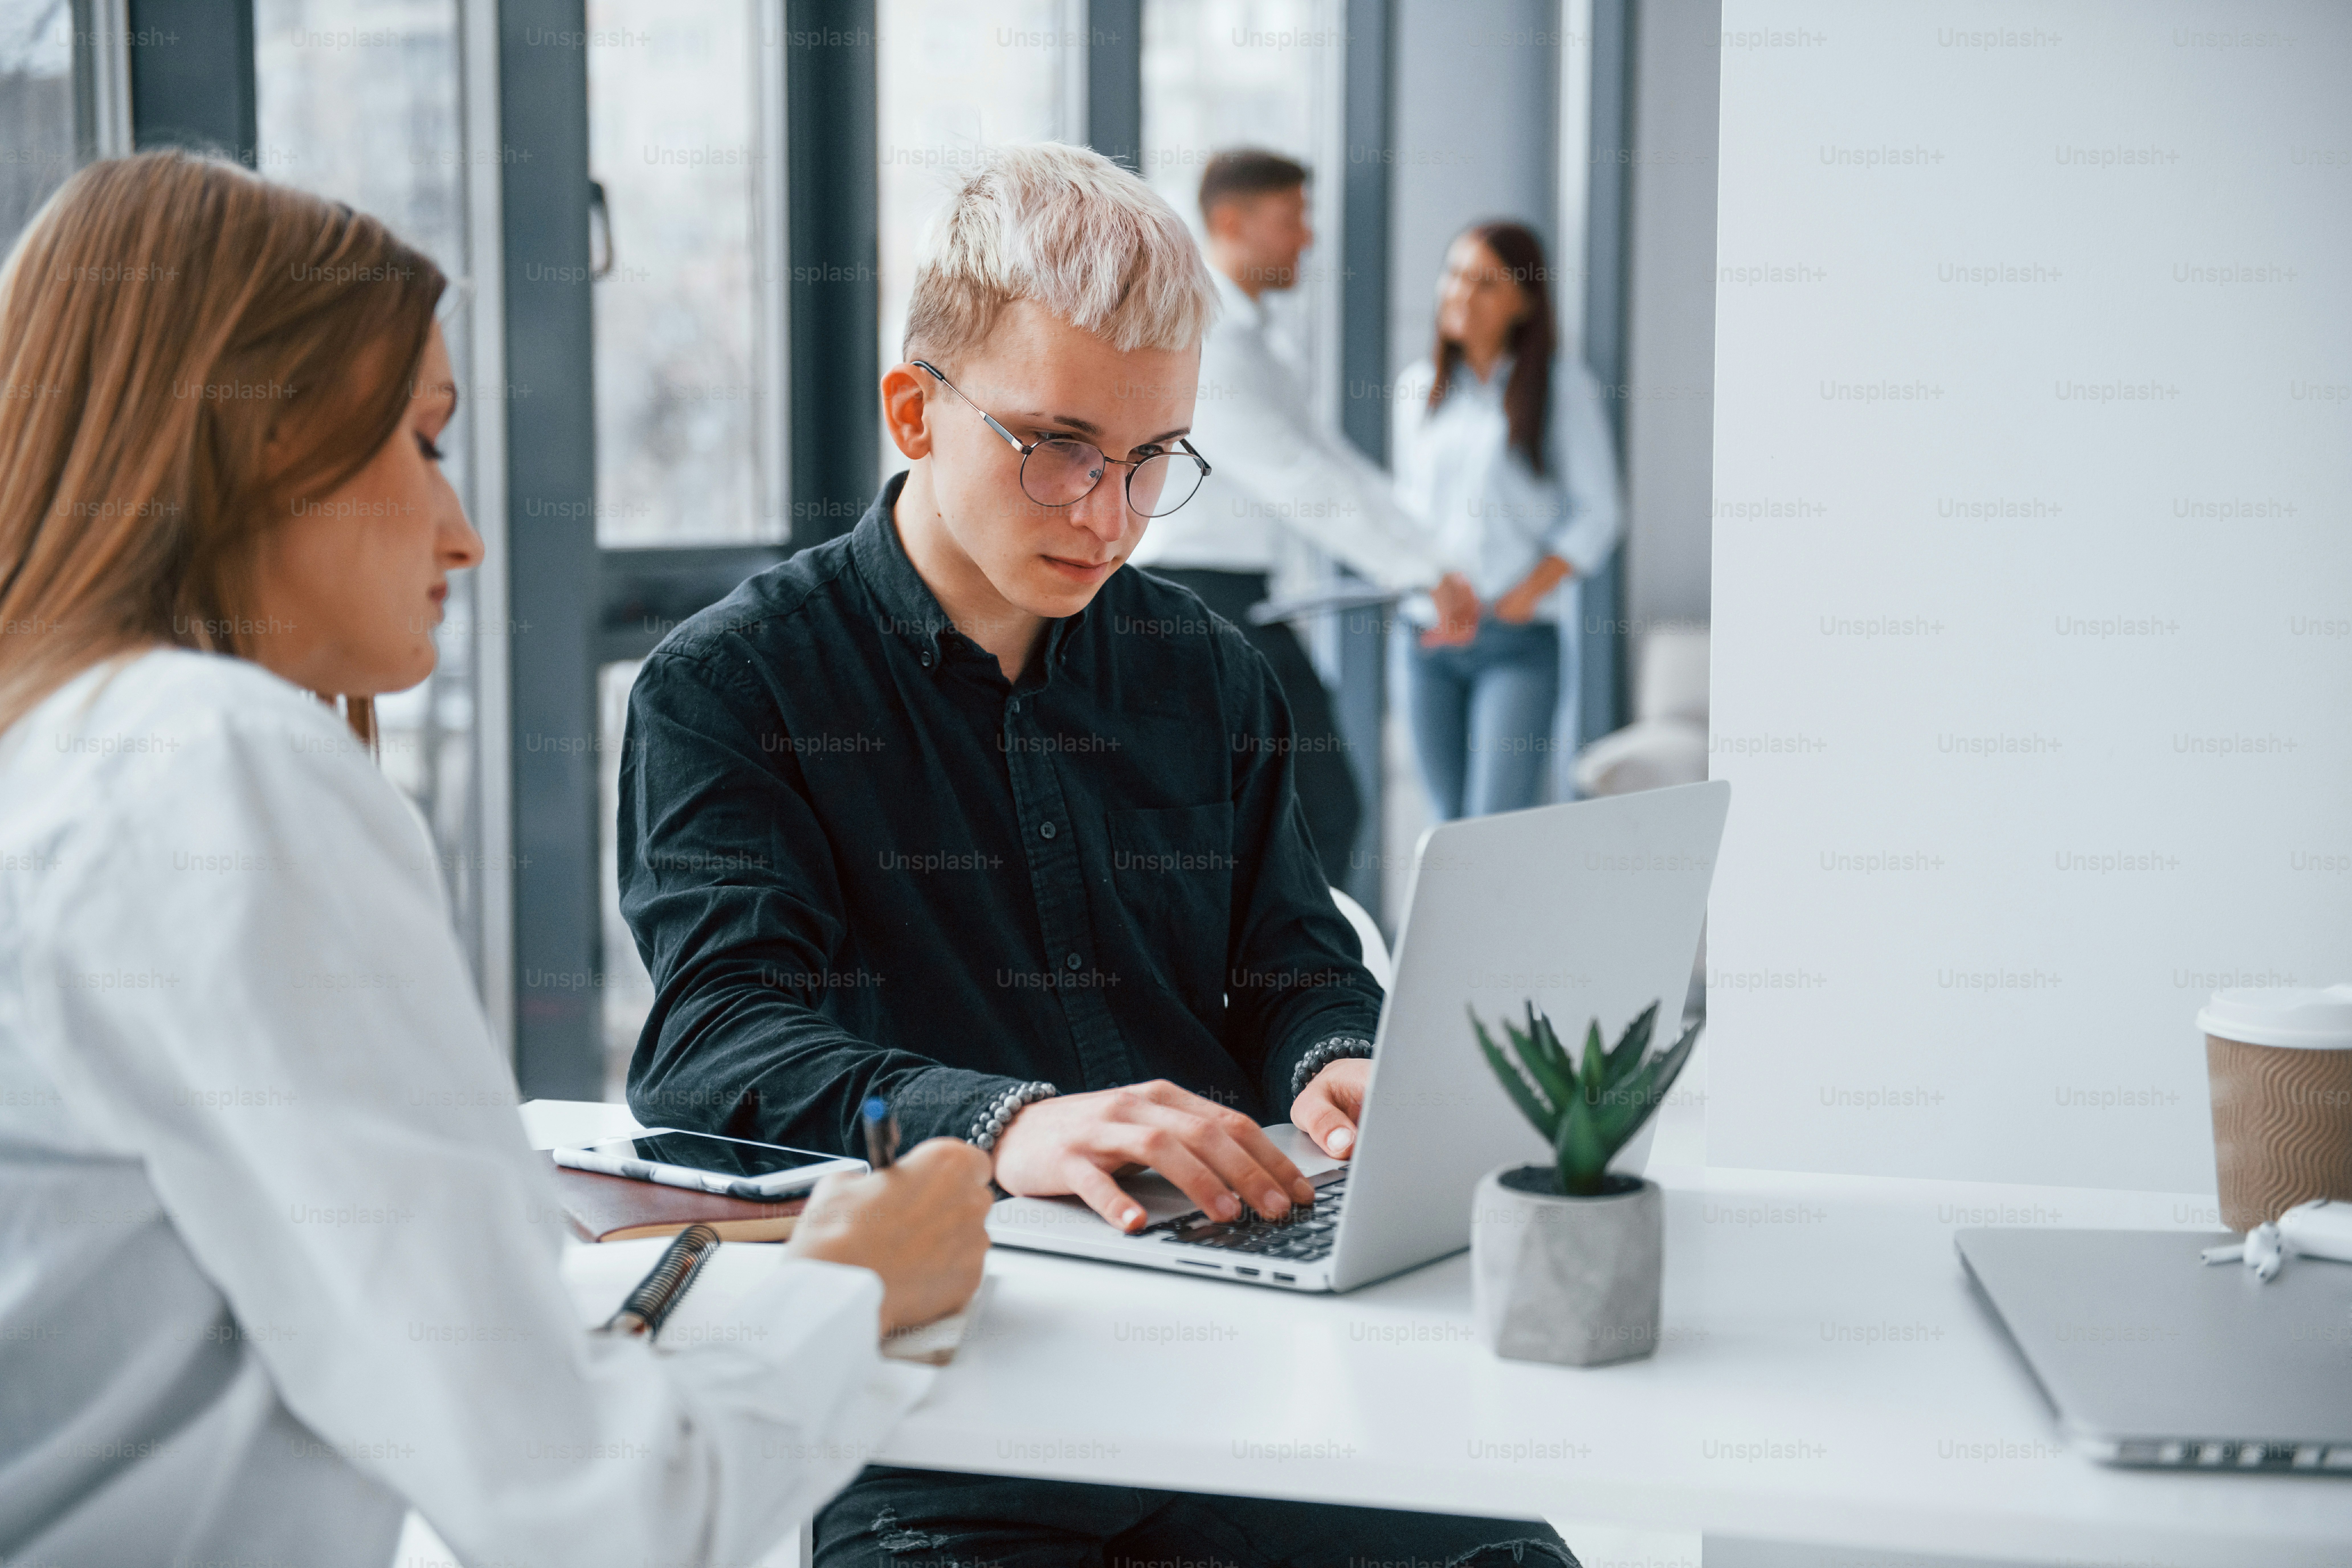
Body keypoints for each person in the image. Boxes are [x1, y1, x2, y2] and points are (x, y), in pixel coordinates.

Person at [0, 150, 994, 1568]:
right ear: (247, 439)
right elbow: (593, 1514)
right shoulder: (210, 761)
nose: (463, 537)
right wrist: (854, 1288)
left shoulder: (58, 750)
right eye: (426, 442)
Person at [618, 142, 1578, 1567]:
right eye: (1058, 448)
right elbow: (713, 1042)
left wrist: (1330, 1059)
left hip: (1251, 1360)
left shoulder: (1213, 674)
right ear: (912, 410)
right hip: (941, 1396)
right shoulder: (733, 688)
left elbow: (1292, 962)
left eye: (1151, 461)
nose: (1110, 517)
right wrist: (1006, 1120)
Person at [1128, 148, 1446, 887]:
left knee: (1310, 813)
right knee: (1309, 812)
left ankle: (1286, 988)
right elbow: (1296, 478)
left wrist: (1436, 560)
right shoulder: (1201, 339)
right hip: (1193, 601)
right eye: (1292, 217)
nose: (1307, 237)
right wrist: (1425, 571)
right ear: (1232, 222)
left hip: (1243, 599)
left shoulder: (1259, 344)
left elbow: (1330, 460)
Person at [1391, 220, 1623, 820]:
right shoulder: (1417, 391)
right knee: (1448, 826)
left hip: (1513, 642)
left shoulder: (1561, 388)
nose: (1461, 293)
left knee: (1494, 827)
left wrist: (1523, 597)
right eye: (1455, 275)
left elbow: (1600, 511)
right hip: (1427, 638)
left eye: (1485, 282)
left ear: (1524, 301)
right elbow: (1409, 514)